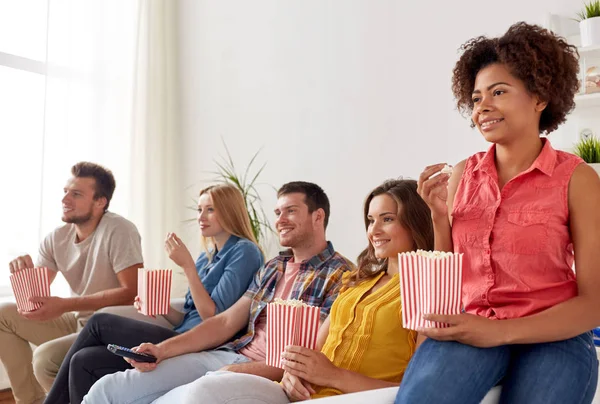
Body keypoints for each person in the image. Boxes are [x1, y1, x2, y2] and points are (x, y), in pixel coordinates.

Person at [395, 22, 600, 404]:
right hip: (473, 327)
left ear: (540, 97)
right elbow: (451, 277)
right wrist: (440, 219)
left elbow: (595, 302)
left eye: (499, 92)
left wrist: (501, 332)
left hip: (554, 336)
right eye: (475, 99)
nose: (482, 107)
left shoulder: (578, 180)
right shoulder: (461, 175)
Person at [162, 179, 435, 403]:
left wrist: (332, 376)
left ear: (415, 222)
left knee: (205, 391)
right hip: (304, 390)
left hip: (355, 395)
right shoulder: (356, 281)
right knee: (196, 390)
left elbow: (419, 389)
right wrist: (293, 373)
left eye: (386, 219)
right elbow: (312, 349)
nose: (373, 230)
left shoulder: (427, 288)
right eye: (370, 220)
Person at [81, 181, 354, 404]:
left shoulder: (342, 276)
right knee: (108, 388)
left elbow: (312, 355)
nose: (280, 220)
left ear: (318, 216)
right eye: (278, 213)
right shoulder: (274, 267)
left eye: (290, 211)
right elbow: (224, 322)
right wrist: (161, 351)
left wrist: (233, 371)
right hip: (228, 354)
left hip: (269, 375)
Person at [43, 183, 264, 404]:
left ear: (229, 210)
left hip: (199, 344)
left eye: (210, 209)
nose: (201, 217)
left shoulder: (245, 251)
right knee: (83, 360)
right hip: (181, 332)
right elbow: (188, 315)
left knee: (100, 322)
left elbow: (213, 317)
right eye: (199, 210)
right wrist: (162, 308)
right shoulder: (206, 256)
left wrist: (187, 266)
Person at [0, 162, 144, 404]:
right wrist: (25, 275)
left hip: (110, 328)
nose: (65, 199)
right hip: (78, 320)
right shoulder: (56, 238)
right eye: (66, 191)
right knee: (2, 314)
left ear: (100, 202)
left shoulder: (120, 230)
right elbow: (37, 300)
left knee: (44, 358)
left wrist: (66, 304)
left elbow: (132, 292)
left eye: (76, 194)